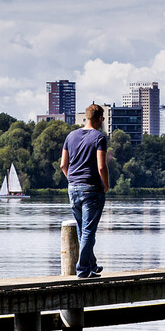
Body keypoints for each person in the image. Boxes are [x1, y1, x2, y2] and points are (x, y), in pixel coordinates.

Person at [58, 104, 111, 279]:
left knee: (82, 229)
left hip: (72, 188)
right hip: (92, 189)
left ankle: (91, 265)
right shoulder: (99, 138)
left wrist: (72, 180)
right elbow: (101, 166)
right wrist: (106, 184)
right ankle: (82, 270)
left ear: (86, 117)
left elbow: (63, 165)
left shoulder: (70, 136)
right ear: (100, 119)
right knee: (88, 231)